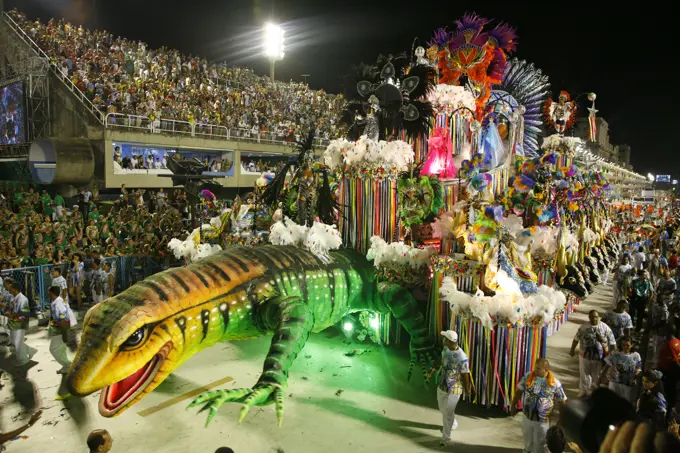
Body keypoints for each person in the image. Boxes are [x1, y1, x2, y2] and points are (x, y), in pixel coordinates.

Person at [510, 358, 567, 453]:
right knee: (528, 441)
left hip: (542, 422)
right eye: (535, 368)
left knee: (540, 444)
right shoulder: (528, 376)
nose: (535, 370)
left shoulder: (555, 383)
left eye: (538, 369)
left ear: (546, 370)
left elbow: (562, 401)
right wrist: (513, 405)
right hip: (527, 417)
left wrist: (561, 419)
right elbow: (519, 391)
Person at [571, 310, 617, 397]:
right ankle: (584, 391)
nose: (594, 319)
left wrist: (615, 355)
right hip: (584, 356)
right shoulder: (583, 327)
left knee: (597, 375)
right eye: (591, 317)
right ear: (589, 317)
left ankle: (594, 393)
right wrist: (572, 349)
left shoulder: (605, 327)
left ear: (598, 317)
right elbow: (576, 339)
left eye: (596, 317)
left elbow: (613, 342)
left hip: (599, 357)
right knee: (584, 374)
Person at [436, 330, 471, 447]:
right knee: (442, 409)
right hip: (442, 385)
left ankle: (445, 438)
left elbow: (465, 374)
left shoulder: (462, 356)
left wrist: (467, 389)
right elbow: (440, 362)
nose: (444, 341)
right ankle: (453, 422)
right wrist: (432, 369)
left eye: (446, 339)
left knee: (447, 414)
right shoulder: (445, 349)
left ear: (451, 342)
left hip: (454, 388)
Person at [598, 335, 642, 404]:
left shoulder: (636, 355)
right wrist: (600, 378)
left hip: (627, 384)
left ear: (632, 345)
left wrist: (635, 375)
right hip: (614, 382)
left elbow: (638, 368)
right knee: (612, 401)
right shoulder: (615, 353)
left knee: (625, 403)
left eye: (627, 345)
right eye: (623, 345)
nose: (625, 347)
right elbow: (607, 365)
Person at [3, 280, 37, 365]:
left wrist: (11, 315)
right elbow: (11, 307)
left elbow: (24, 312)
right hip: (13, 323)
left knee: (18, 342)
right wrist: (6, 310)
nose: (8, 290)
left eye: (10, 288)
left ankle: (23, 359)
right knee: (15, 341)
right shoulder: (13, 297)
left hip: (20, 323)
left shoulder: (23, 299)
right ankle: (30, 350)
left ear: (14, 289)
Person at [47, 286, 71, 376]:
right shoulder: (56, 301)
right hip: (57, 330)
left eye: (48, 292)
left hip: (60, 330)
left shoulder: (58, 303)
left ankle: (67, 364)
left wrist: (64, 334)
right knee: (61, 350)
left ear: (52, 293)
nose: (47, 293)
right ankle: (66, 366)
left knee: (53, 349)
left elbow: (63, 320)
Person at [657, 322, 680, 411]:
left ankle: (669, 411)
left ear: (667, 331)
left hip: (669, 374)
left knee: (668, 393)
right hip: (672, 374)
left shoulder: (669, 345)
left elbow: (674, 362)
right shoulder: (677, 341)